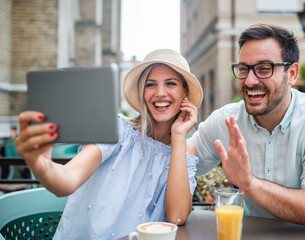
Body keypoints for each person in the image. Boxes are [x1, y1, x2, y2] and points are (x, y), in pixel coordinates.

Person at [189, 24, 305, 230]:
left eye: (264, 68)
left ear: (292, 74)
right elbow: (179, 160)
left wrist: (250, 184)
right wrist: (174, 128)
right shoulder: (226, 120)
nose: (250, 81)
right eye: (243, 69)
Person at [15, 49, 203, 239]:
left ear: (184, 92)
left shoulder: (185, 151)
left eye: (171, 83)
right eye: (150, 84)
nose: (160, 93)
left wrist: (179, 137)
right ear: (142, 92)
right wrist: (42, 165)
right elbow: (67, 179)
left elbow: (177, 217)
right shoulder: (117, 129)